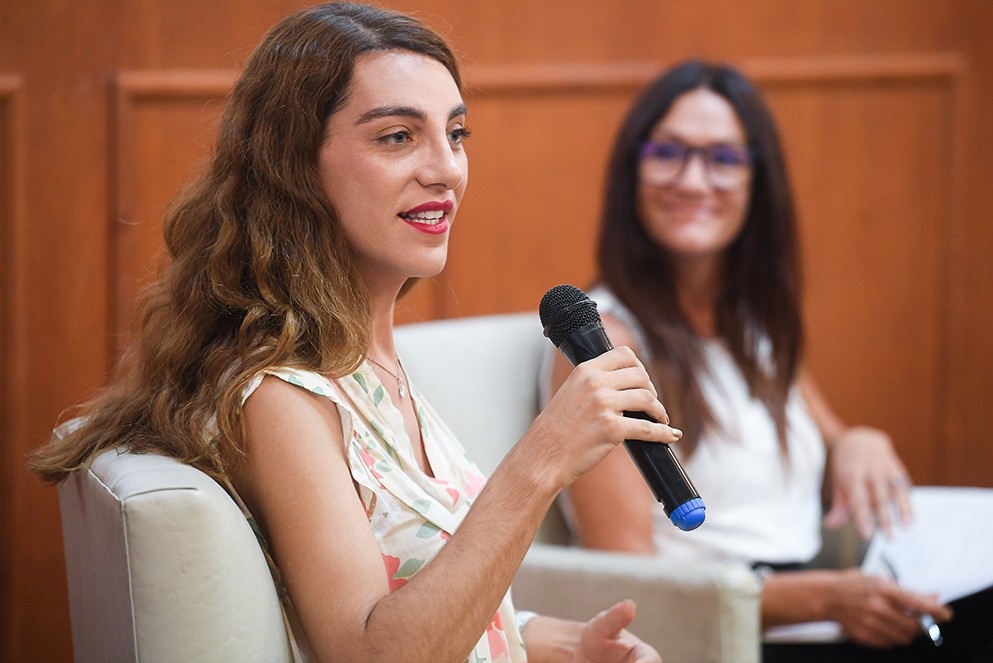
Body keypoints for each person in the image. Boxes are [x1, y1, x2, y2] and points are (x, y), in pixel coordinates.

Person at [29, 4, 682, 662]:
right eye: (397, 136)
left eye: (454, 134)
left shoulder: (366, 366)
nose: (446, 168)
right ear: (295, 166)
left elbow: (415, 590)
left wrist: (567, 644)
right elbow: (372, 651)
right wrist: (541, 460)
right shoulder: (279, 396)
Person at [542, 60, 993, 663]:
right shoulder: (604, 346)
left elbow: (828, 436)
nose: (694, 180)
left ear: (758, 180)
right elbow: (631, 585)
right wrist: (820, 601)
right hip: (725, 636)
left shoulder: (753, 324)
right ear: (632, 172)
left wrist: (859, 439)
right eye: (668, 152)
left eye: (724, 159)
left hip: (822, 611)